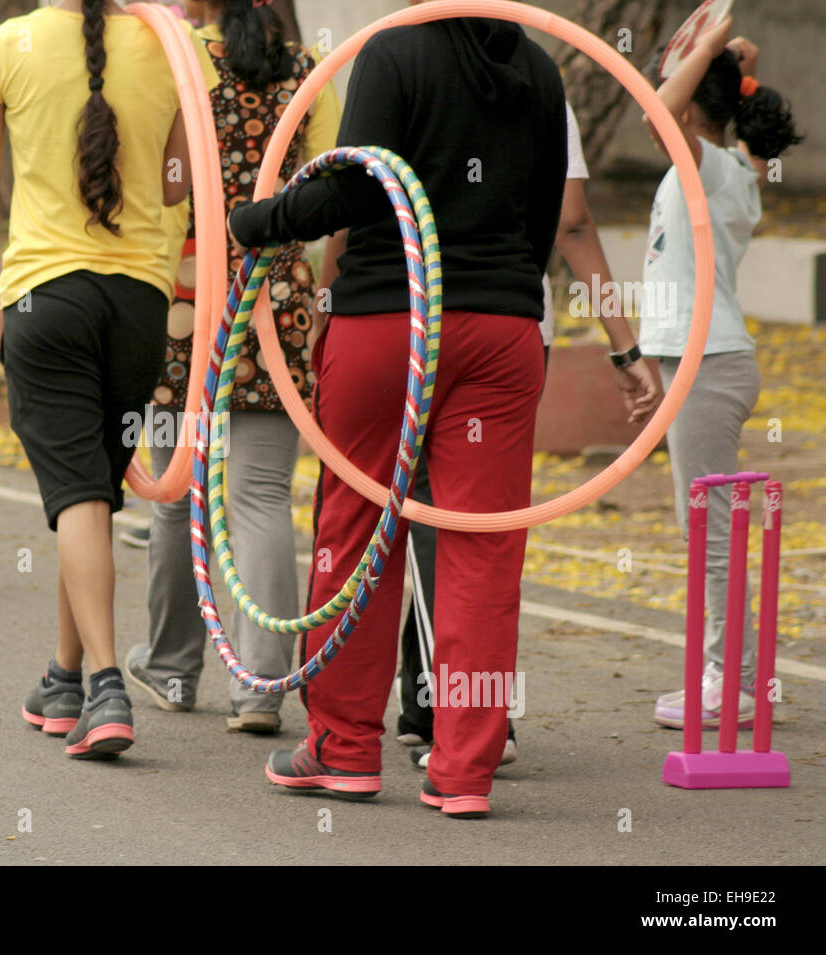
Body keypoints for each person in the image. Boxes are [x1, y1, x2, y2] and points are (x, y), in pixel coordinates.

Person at [228, 6, 566, 817]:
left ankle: (344, 749)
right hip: (503, 329)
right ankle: (465, 769)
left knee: (356, 531)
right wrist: (503, 285)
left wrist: (259, 222)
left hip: (390, 323)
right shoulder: (542, 68)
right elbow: (546, 214)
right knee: (481, 550)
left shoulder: (394, 51)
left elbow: (355, 187)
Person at [0, 0, 215, 758]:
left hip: (45, 298)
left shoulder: (2, 48)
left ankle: (105, 684)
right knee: (91, 490)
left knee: (76, 493)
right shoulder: (175, 45)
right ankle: (63, 677)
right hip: (140, 303)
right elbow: (174, 188)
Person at [396, 99, 664, 769]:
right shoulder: (544, 88)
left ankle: (460, 716)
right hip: (516, 329)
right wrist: (625, 349)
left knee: (436, 516)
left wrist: (333, 303)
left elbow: (361, 205)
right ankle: (431, 700)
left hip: (419, 321)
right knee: (477, 517)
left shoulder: (405, 67)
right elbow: (573, 224)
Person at [125, 0, 340, 735]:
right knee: (259, 497)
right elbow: (334, 195)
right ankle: (261, 688)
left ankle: (173, 668)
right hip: (273, 295)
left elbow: (160, 183)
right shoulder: (310, 74)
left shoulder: (170, 58)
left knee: (176, 494)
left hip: (182, 298)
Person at [640, 19, 802, 729]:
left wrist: (706, 55)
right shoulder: (734, 165)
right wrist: (732, 65)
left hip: (708, 365)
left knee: (709, 538)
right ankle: (729, 676)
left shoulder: (705, 163)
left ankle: (731, 684)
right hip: (704, 361)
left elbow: (657, 109)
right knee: (708, 532)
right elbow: (679, 105)